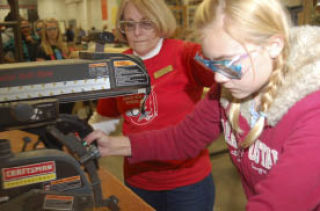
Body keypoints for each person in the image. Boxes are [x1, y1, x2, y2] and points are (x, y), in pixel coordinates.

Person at [85, 0, 320, 210]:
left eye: (228, 62)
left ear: (273, 45)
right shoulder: (230, 89)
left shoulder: (313, 114)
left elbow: (278, 204)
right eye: (213, 63)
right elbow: (182, 139)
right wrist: (113, 145)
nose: (217, 79)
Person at [88, 0, 215, 210]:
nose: (137, 32)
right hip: (139, 181)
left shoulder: (185, 54)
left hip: (188, 184)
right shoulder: (119, 65)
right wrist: (83, 136)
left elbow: (226, 77)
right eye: (129, 24)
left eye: (146, 23)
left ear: (160, 21)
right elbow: (106, 117)